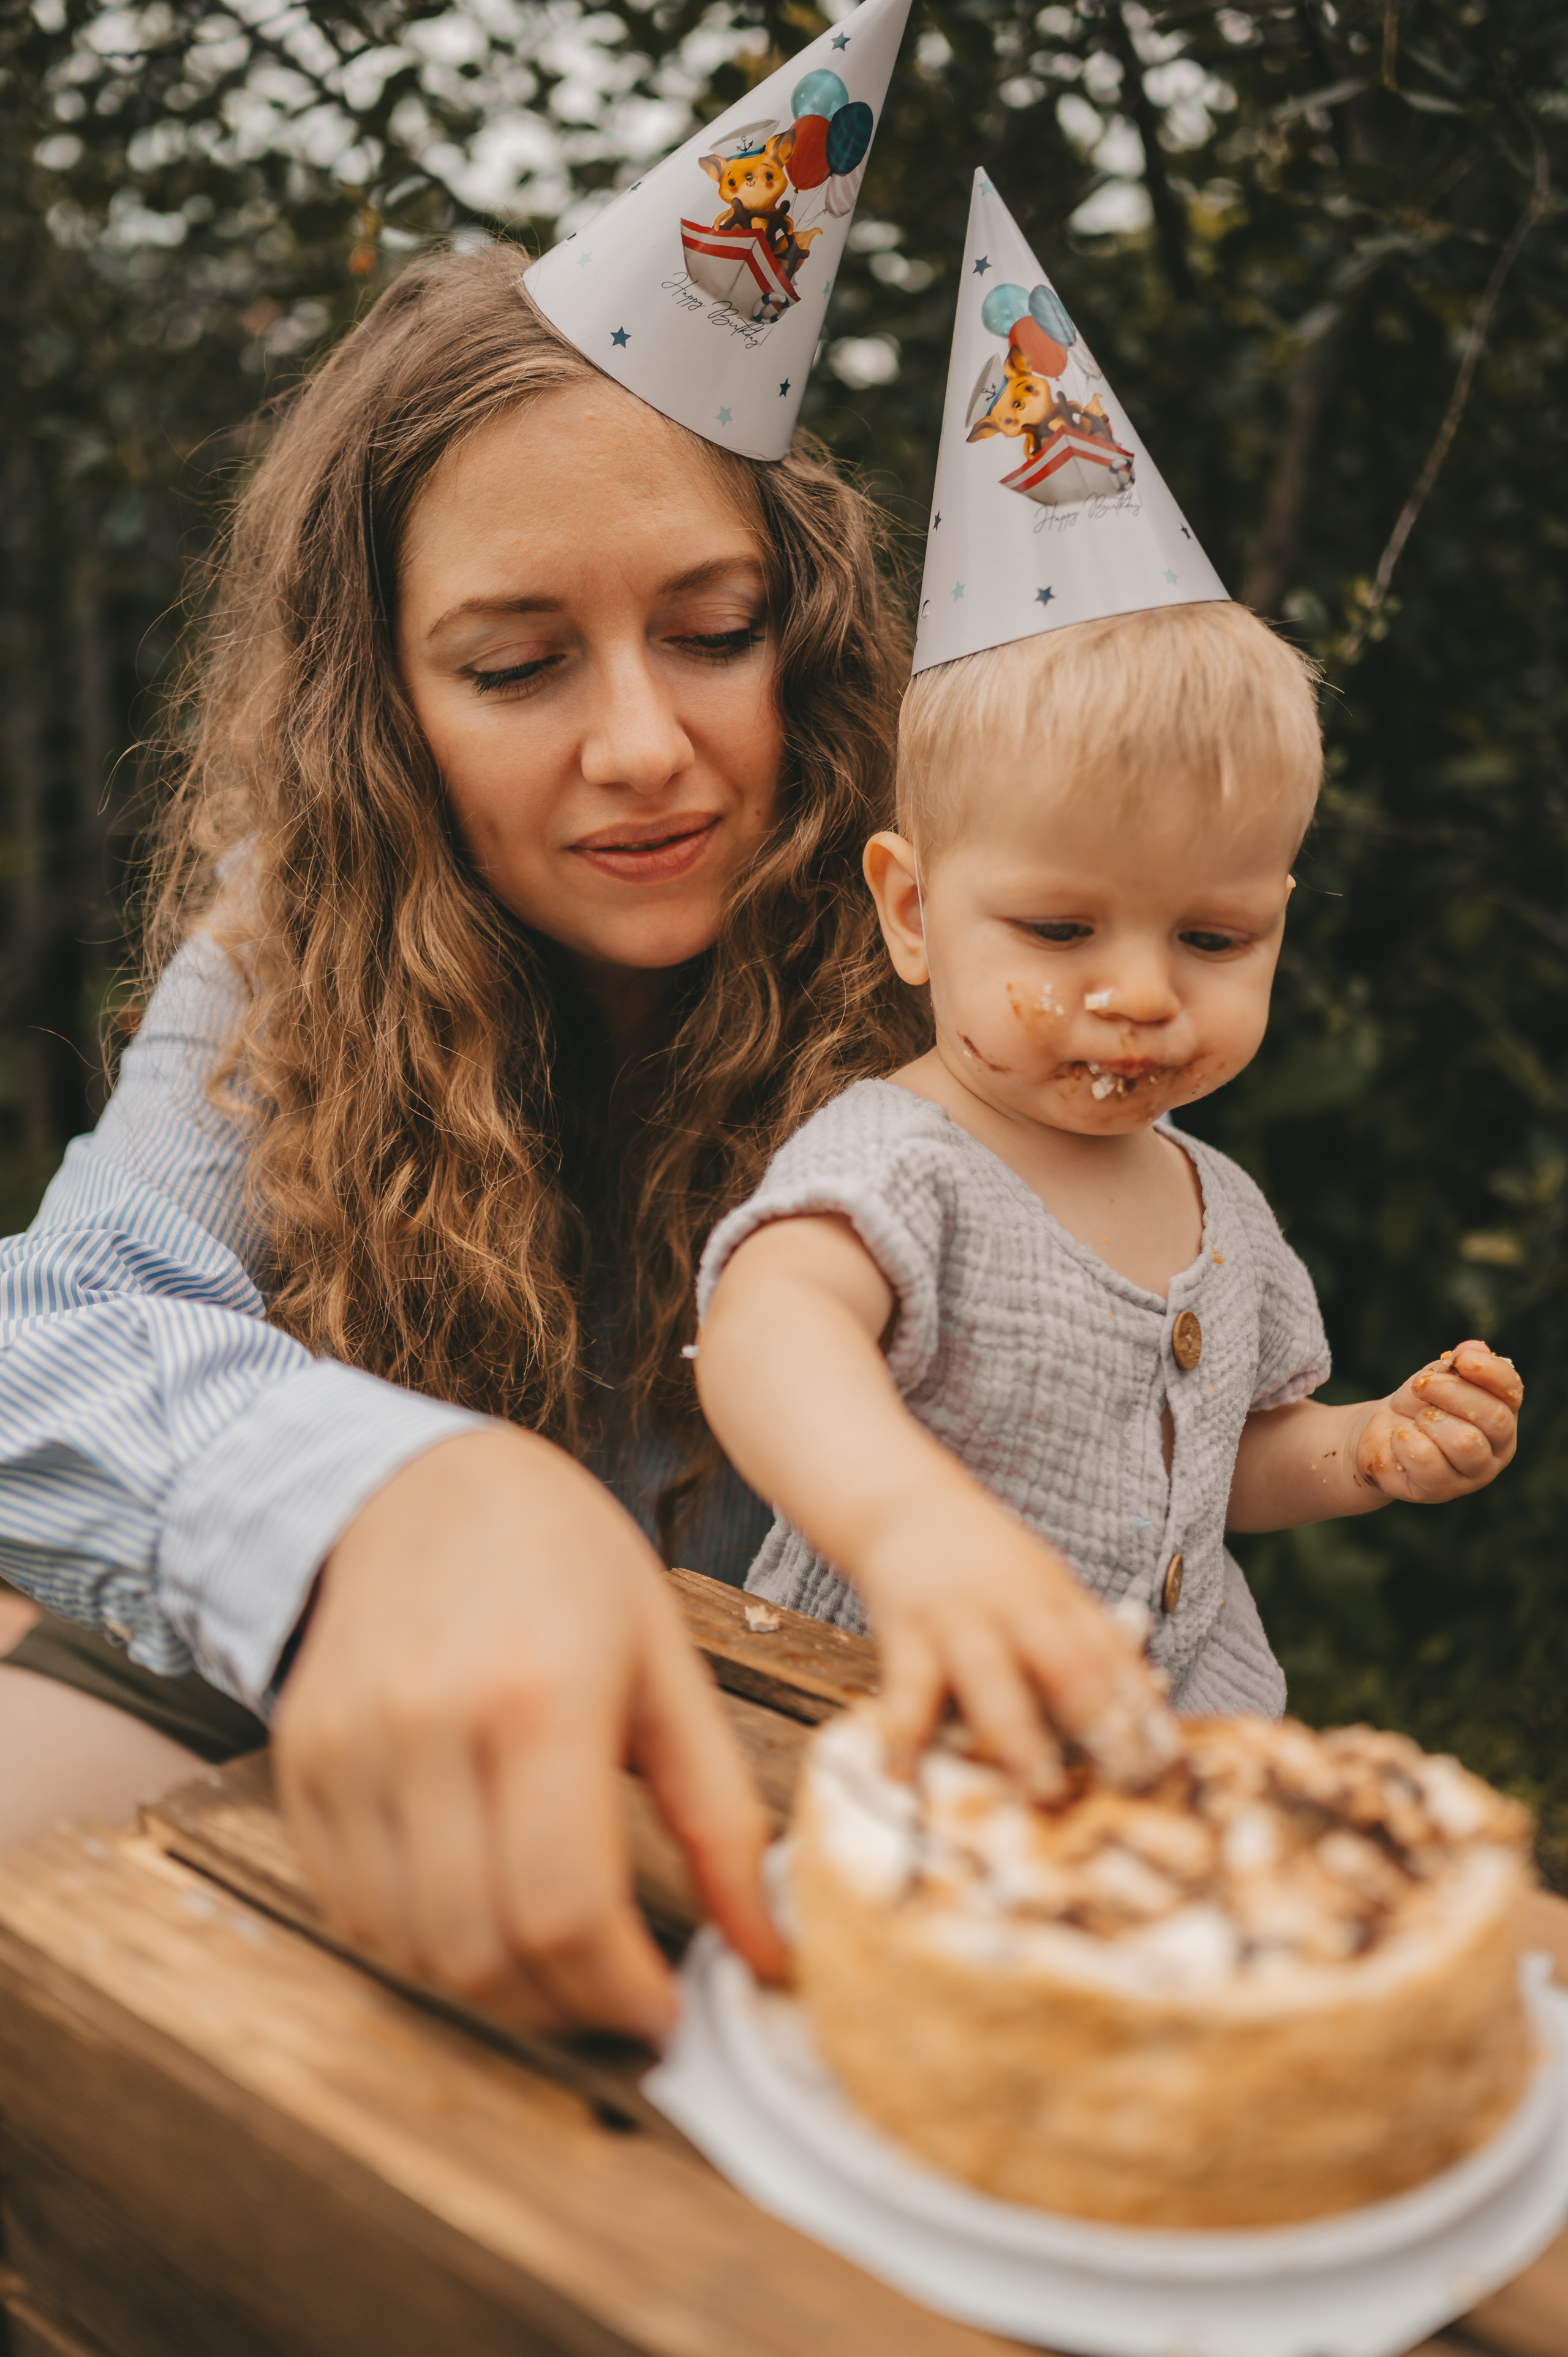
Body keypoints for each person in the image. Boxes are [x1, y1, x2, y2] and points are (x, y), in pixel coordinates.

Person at [0, 241, 1167, 2040]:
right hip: (309, 1658)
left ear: (806, 633)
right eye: (518, 664)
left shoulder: (965, 932)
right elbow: (53, 1333)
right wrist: (389, 1501)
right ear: (382, 709)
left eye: (713, 634)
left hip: (814, 1748)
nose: (641, 746)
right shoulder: (300, 934)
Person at [693, 600, 1525, 1798]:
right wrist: (904, 1524)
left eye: (1211, 937)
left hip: (1162, 1758)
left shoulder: (1220, 1206)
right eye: (1060, 927)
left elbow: (1220, 1458)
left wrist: (1365, 1446)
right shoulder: (900, 1164)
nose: (1139, 992)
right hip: (887, 1736)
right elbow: (769, 1334)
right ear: (913, 911)